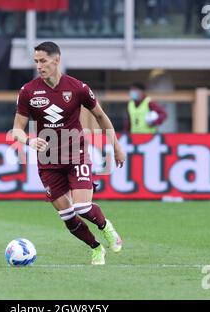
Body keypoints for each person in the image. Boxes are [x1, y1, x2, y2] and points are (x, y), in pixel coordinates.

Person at [12, 41, 125, 265]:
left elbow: (101, 117)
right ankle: (95, 248)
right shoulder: (28, 91)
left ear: (57, 60)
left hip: (76, 154)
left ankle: (106, 227)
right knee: (67, 216)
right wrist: (29, 140)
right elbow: (16, 130)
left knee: (82, 206)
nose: (39, 66)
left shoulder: (78, 88)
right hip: (48, 161)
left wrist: (117, 147)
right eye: (36, 61)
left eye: (43, 61)